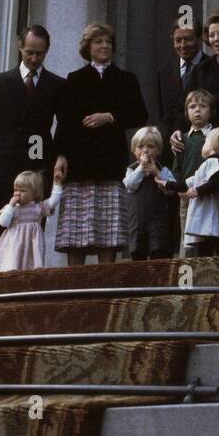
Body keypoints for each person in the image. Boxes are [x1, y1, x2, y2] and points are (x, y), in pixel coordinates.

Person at [0, 24, 70, 270]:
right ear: (20, 47)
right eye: (29, 53)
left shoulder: (57, 85)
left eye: (39, 53)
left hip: (37, 163)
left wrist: (60, 154)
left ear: (47, 51)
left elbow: (65, 125)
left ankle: (28, 281)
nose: (34, 58)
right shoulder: (0, 82)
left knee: (32, 226)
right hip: (3, 166)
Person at [56, 22, 149, 266]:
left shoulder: (125, 79)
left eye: (108, 42)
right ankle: (75, 289)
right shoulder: (75, 80)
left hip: (109, 163)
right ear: (88, 47)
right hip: (80, 166)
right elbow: (64, 122)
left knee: (108, 234)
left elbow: (140, 114)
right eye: (98, 41)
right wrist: (61, 156)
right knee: (76, 235)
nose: (104, 46)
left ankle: (105, 285)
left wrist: (109, 117)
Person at [0, 168, 64, 273]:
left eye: (23, 190)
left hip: (32, 244)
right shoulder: (12, 208)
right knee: (12, 266)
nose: (18, 193)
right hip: (14, 244)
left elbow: (54, 200)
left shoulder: (38, 207)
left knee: (31, 268)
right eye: (16, 190)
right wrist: (10, 205)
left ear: (35, 193)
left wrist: (57, 183)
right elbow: (3, 222)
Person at [124, 126, 179, 260]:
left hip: (158, 219)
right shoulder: (132, 169)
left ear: (159, 150)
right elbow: (130, 185)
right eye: (140, 147)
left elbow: (171, 189)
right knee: (138, 253)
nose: (145, 150)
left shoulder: (163, 169)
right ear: (134, 150)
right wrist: (141, 169)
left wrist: (157, 173)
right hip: (138, 220)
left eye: (150, 146)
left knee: (159, 252)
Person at [183, 126, 219, 257]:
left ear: (214, 147)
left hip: (211, 217)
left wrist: (198, 191)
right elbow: (187, 183)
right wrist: (167, 183)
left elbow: (215, 181)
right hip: (215, 219)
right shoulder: (213, 164)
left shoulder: (213, 162)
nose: (203, 145)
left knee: (209, 245)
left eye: (206, 141)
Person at [172, 88, 215, 254]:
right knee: (187, 237)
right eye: (192, 106)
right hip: (186, 196)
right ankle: (188, 276)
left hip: (209, 195)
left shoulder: (215, 136)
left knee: (208, 236)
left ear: (211, 111)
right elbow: (177, 167)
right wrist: (178, 188)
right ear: (186, 112)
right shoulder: (182, 138)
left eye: (203, 106)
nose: (197, 110)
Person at [157, 17, 206, 148]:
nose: (183, 45)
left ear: (200, 39)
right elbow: (164, 113)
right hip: (171, 145)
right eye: (178, 40)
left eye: (188, 39)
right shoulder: (165, 72)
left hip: (202, 143)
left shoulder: (210, 67)